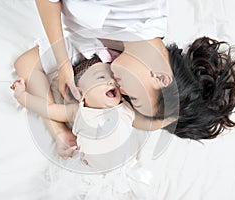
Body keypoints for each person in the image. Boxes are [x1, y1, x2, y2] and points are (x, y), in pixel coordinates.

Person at [14, 0, 170, 158]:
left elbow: (27, 65)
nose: (122, 90)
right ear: (160, 77)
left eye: (129, 99)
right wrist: (62, 62)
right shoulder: (140, 13)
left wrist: (60, 132)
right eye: (134, 97)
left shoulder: (107, 57)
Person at [12, 53, 153, 171]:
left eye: (113, 79)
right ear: (80, 93)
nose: (112, 82)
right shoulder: (77, 112)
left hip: (128, 169)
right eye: (101, 78)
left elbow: (150, 121)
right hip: (93, 173)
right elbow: (47, 109)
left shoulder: (125, 107)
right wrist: (23, 98)